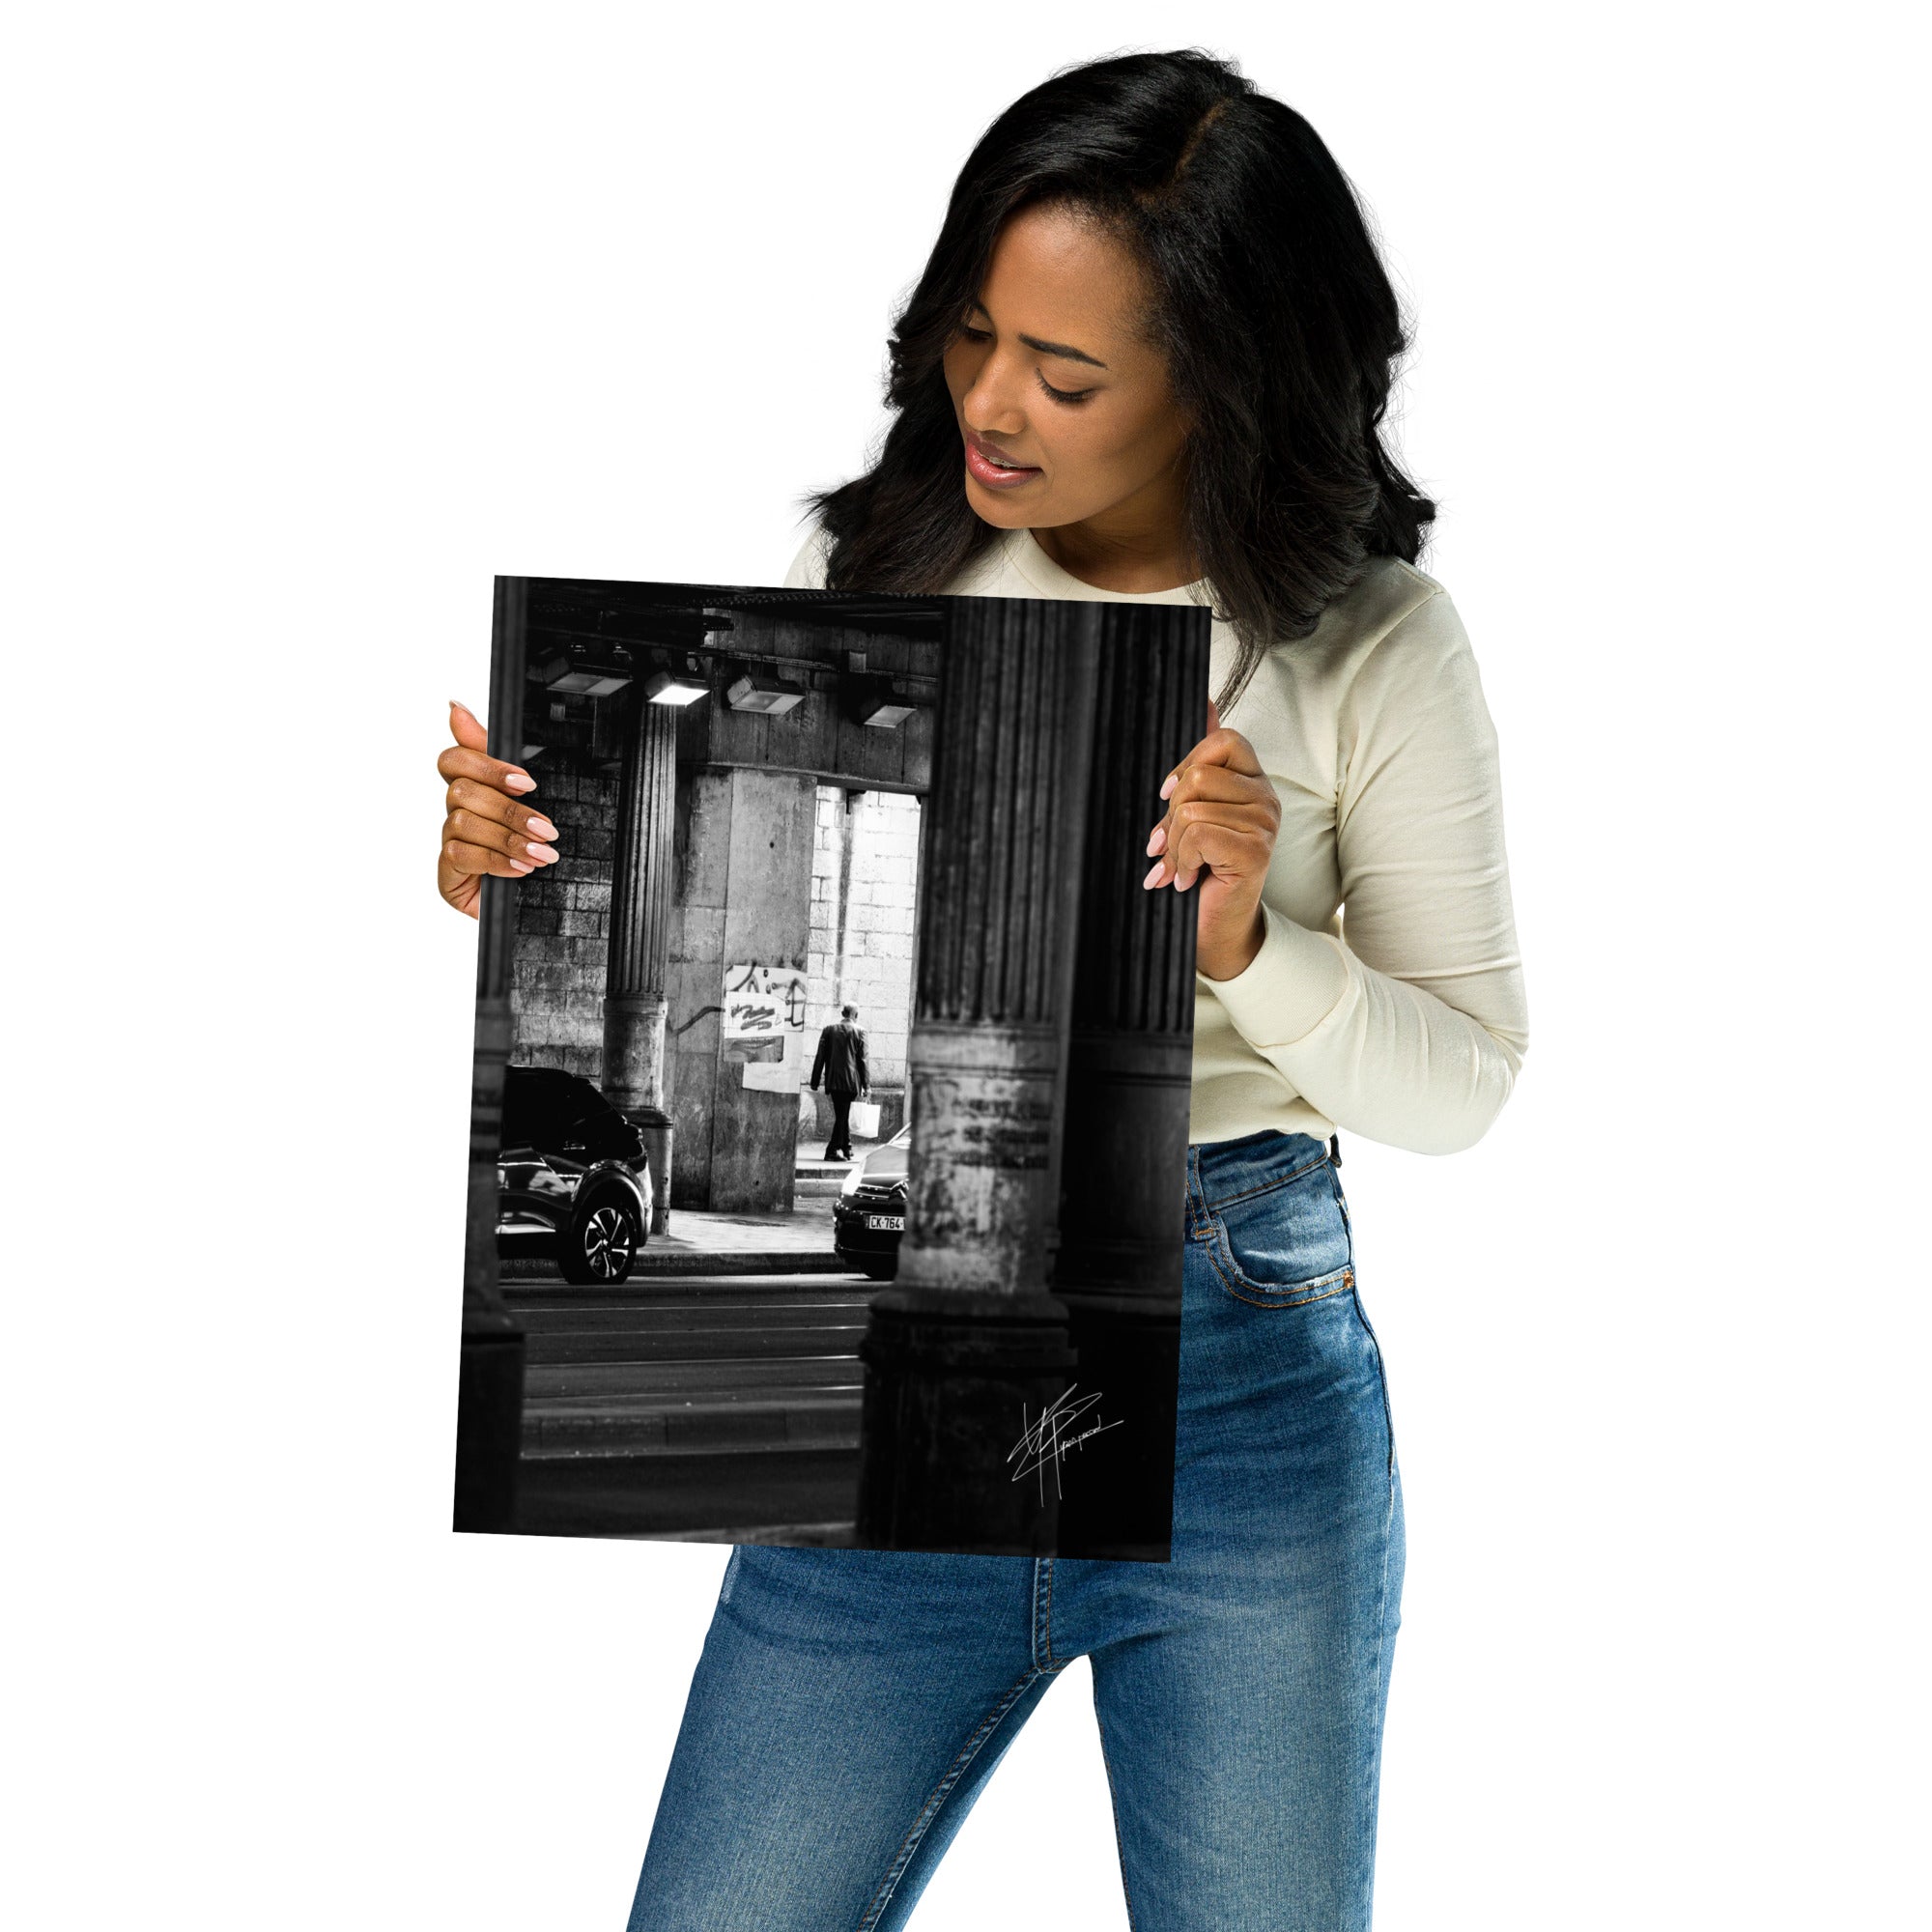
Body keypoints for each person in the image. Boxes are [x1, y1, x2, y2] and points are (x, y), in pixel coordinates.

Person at [436, 48, 1527, 1930]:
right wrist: (531, 879)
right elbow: (714, 967)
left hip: (1242, 1383)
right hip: (899, 1370)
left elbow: (1463, 1085)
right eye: (969, 336)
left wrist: (1251, 947)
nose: (991, 404)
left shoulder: (1368, 645)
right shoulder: (879, 565)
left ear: (1224, 384)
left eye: (1068, 371)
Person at [810, 1003, 870, 1161]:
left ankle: (847, 1147)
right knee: (842, 1116)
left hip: (833, 1081)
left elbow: (820, 1056)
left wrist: (815, 1081)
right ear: (855, 1015)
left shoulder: (828, 1030)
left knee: (841, 1114)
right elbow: (863, 1061)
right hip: (851, 1083)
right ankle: (831, 1150)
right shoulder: (861, 1031)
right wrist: (867, 1086)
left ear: (843, 1013)